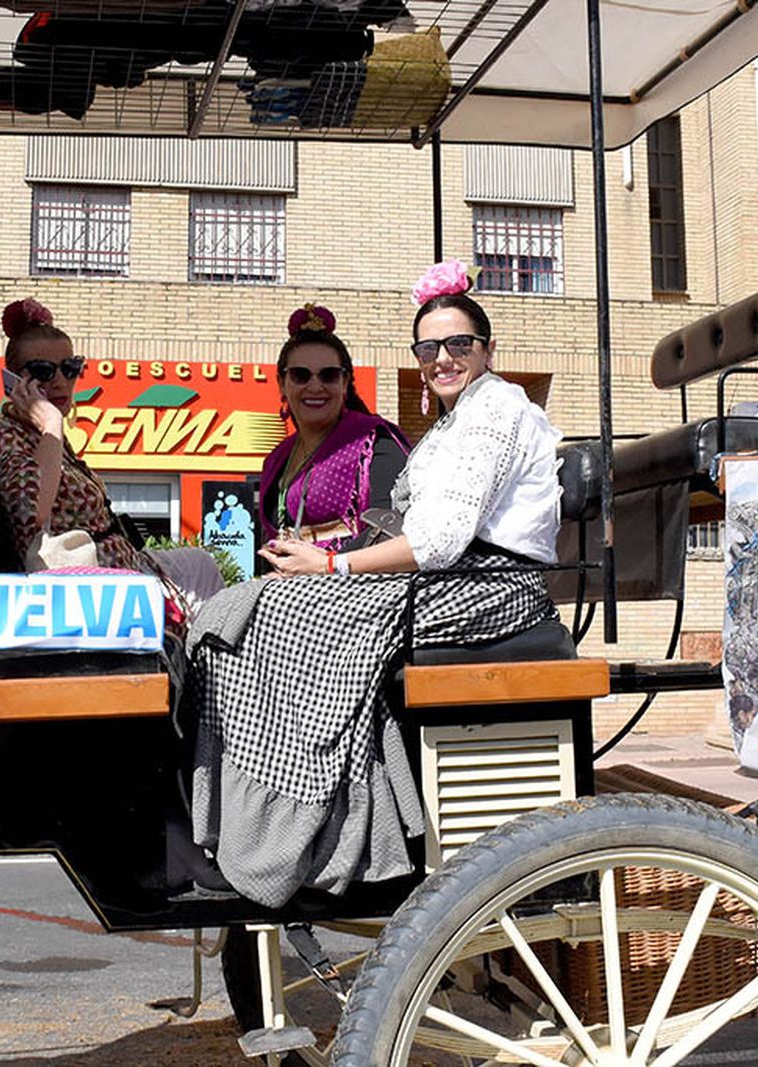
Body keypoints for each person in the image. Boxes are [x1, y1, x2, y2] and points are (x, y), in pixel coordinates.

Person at [188, 259, 563, 908]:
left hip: (493, 583)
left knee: (282, 612)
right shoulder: (452, 422)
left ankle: (305, 825)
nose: (443, 356)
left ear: (487, 349)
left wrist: (330, 566)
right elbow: (412, 519)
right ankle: (257, 819)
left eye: (459, 344)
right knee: (246, 608)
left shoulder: (496, 408)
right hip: (448, 576)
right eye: (430, 347)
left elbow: (440, 539)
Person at [0, 298, 222, 606]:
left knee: (202, 566)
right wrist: (51, 422)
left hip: (119, 571)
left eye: (70, 368)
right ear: (13, 382)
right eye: (43, 371)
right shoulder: (5, 435)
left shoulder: (45, 437)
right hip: (84, 592)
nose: (61, 381)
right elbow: (30, 511)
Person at [259, 304, 410, 555]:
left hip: (353, 584)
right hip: (288, 583)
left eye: (328, 375)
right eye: (300, 375)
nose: (315, 386)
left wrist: (327, 566)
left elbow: (392, 530)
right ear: (282, 383)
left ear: (345, 382)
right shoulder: (277, 459)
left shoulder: (373, 441)